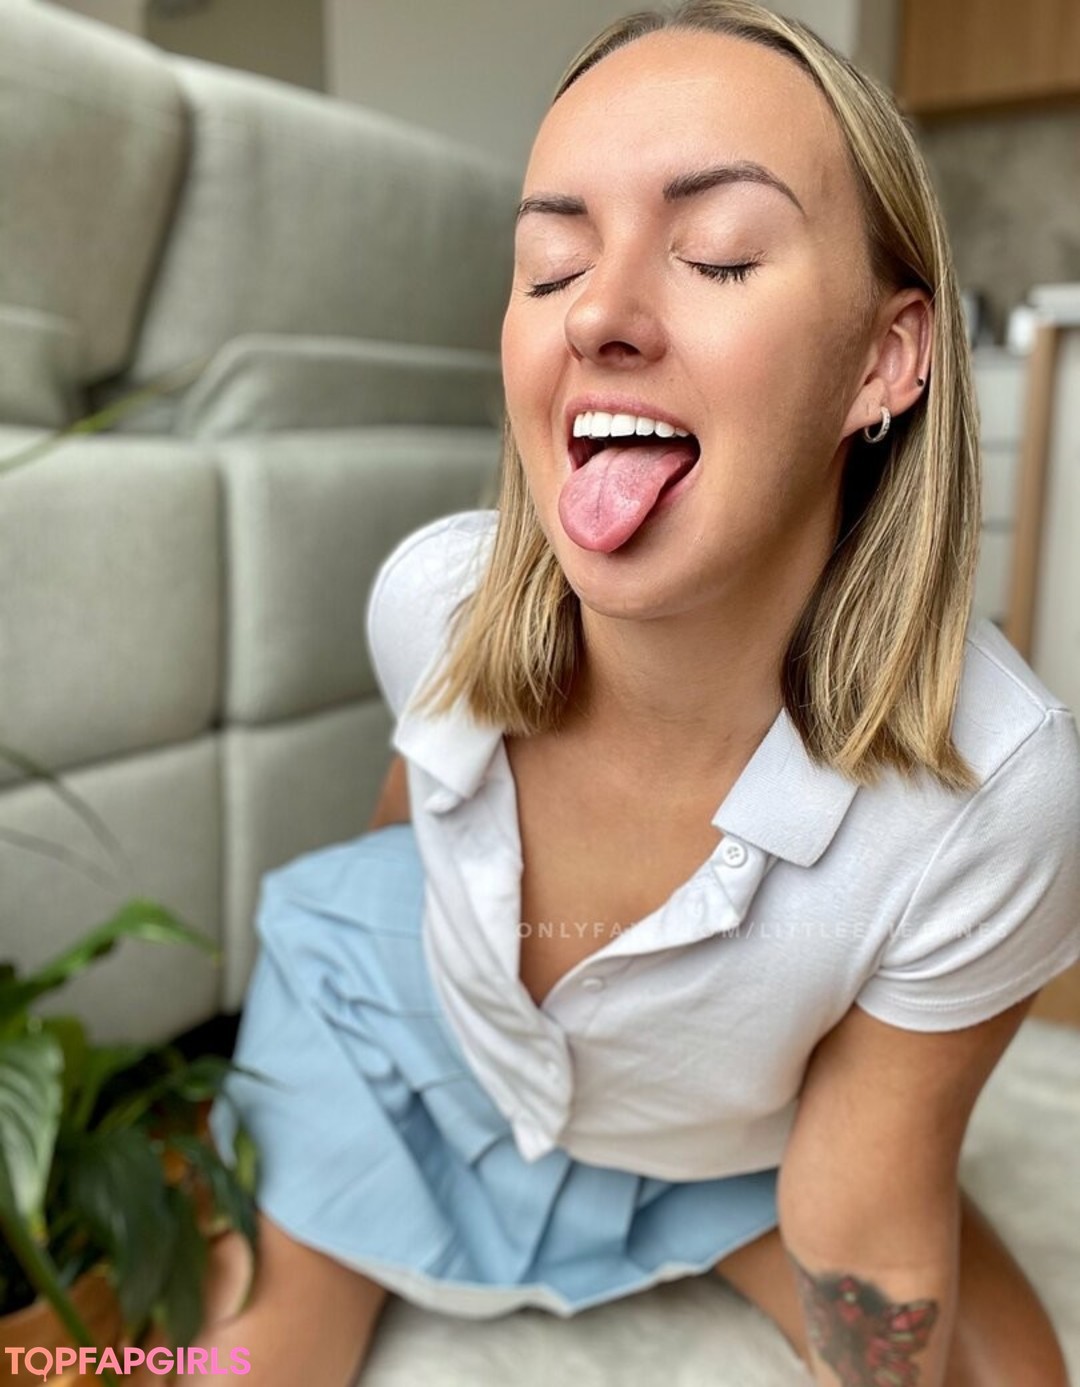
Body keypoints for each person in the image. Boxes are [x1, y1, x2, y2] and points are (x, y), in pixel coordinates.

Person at [177, 4, 1080, 1384]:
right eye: (550, 267)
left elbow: (866, 1221)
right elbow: (410, 833)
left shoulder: (993, 797)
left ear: (884, 359)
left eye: (717, 254)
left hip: (719, 1143)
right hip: (396, 1039)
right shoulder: (433, 600)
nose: (595, 312)